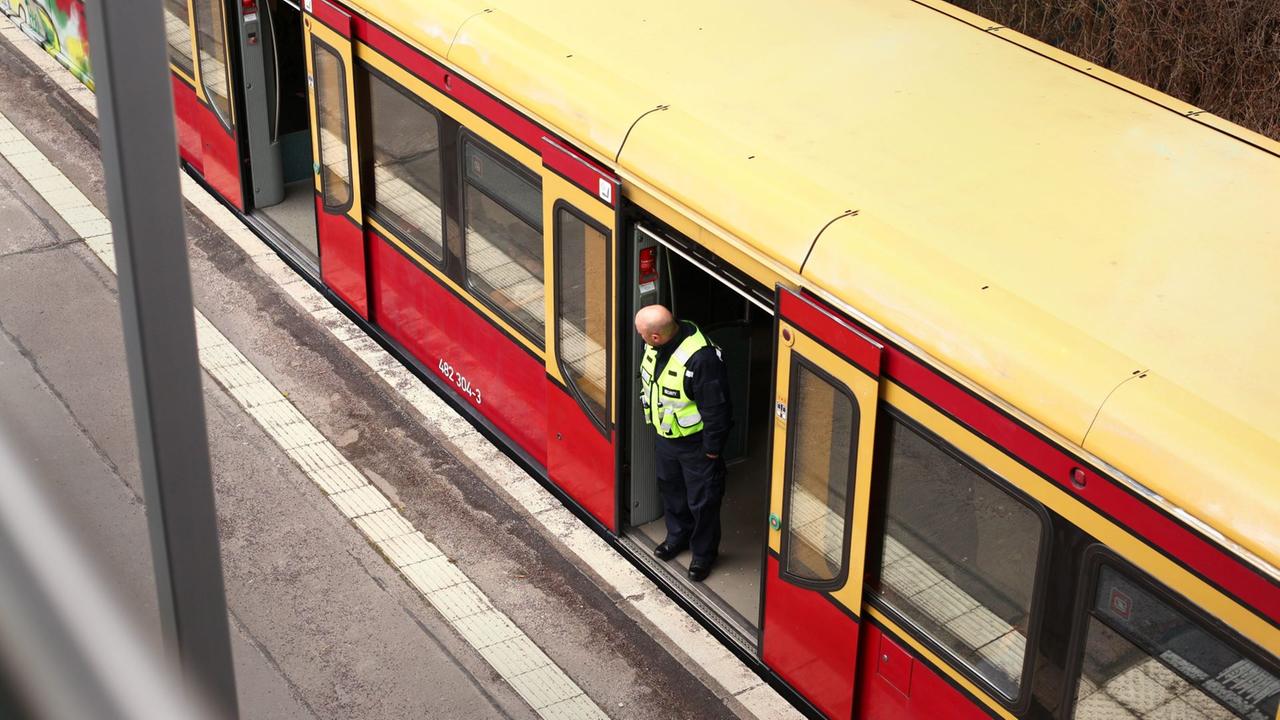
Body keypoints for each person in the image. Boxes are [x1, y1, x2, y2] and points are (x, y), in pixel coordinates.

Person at [635, 304, 732, 582]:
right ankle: (678, 537)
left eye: (642, 334)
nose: (640, 338)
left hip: (697, 446)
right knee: (671, 490)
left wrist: (711, 451)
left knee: (703, 502)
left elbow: (717, 410)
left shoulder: (702, 359)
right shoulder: (655, 345)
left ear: (656, 336)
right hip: (667, 439)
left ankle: (703, 555)